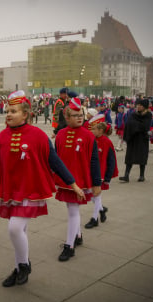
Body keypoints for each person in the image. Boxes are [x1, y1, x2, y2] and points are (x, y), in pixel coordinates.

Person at [0, 90, 84, 287]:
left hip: (31, 190)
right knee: (19, 230)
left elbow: (55, 161)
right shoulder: (1, 138)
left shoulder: (38, 136)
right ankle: (19, 268)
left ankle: (24, 265)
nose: (8, 114)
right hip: (10, 191)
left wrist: (72, 183)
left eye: (13, 111)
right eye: (7, 111)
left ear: (25, 114)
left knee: (14, 228)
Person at [54, 97, 101, 262]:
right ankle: (78, 235)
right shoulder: (60, 134)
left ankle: (70, 246)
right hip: (65, 182)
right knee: (71, 209)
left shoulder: (88, 136)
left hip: (80, 180)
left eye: (81, 114)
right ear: (67, 118)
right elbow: (55, 159)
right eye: (75, 115)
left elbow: (94, 160)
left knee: (73, 211)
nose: (79, 117)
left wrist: (96, 184)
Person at [85, 117, 118, 229]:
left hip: (101, 175)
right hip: (90, 173)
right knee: (90, 195)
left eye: (94, 129)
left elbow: (111, 161)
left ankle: (95, 219)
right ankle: (102, 209)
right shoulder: (91, 140)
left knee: (96, 195)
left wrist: (108, 177)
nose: (91, 131)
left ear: (100, 130)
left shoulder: (107, 142)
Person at [119, 99, 152, 182]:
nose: (138, 107)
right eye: (138, 105)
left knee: (142, 157)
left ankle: (142, 176)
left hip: (142, 139)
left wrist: (134, 125)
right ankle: (126, 175)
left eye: (141, 105)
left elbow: (145, 126)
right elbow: (128, 123)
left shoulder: (148, 115)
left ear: (145, 107)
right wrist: (135, 126)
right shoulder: (134, 114)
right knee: (129, 157)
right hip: (133, 138)